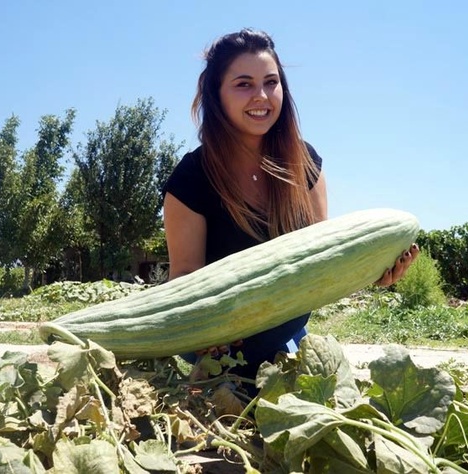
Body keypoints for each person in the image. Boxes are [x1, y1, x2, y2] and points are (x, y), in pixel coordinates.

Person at [162, 28, 418, 386]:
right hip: (214, 342)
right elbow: (185, 276)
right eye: (243, 84)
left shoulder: (305, 162)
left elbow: (323, 262)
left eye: (271, 82)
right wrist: (210, 330)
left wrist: (369, 271)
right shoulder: (190, 176)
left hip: (284, 331)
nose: (262, 96)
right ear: (216, 95)